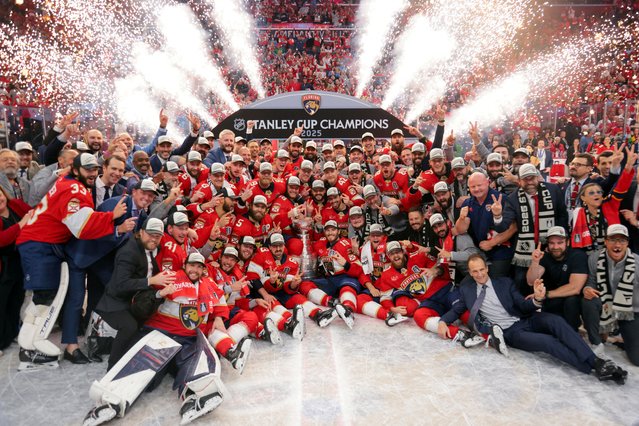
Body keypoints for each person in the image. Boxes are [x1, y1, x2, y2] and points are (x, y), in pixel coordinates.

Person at [439, 254, 627, 384]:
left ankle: (595, 361)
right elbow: (457, 310)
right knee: (548, 342)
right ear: (470, 273)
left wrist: (537, 298)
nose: (479, 274)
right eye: (474, 272)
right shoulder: (467, 290)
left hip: (525, 319)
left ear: (487, 268)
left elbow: (522, 305)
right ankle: (594, 367)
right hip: (510, 332)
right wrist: (441, 321)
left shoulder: (504, 282)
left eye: (481, 269)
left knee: (556, 322)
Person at [16, 153, 127, 369]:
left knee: (46, 296)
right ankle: (28, 346)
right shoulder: (75, 188)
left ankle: (30, 345)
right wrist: (111, 217)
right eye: (88, 169)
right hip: (46, 244)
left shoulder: (67, 181)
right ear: (76, 170)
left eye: (94, 169)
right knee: (44, 296)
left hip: (50, 244)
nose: (92, 173)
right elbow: (81, 226)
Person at [95, 218, 176, 371]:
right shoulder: (129, 252)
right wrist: (151, 280)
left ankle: (133, 360)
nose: (154, 239)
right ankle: (113, 368)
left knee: (148, 321)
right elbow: (121, 284)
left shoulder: (148, 249)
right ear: (141, 232)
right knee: (130, 326)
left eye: (157, 236)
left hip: (133, 300)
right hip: (114, 302)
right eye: (150, 234)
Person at [582, 225, 639, 365]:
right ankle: (597, 343)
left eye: (622, 240)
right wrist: (587, 289)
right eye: (613, 240)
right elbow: (591, 282)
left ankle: (624, 338)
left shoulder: (637, 262)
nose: (617, 244)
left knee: (637, 359)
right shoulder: (594, 258)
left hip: (630, 312)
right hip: (605, 308)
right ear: (605, 241)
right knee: (588, 301)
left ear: (627, 243)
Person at [526, 226, 588, 330]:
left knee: (571, 301)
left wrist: (545, 295)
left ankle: (573, 334)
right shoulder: (545, 256)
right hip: (554, 299)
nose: (555, 247)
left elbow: (575, 288)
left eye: (560, 243)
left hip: (574, 299)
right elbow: (531, 281)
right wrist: (535, 262)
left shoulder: (578, 256)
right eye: (552, 243)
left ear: (567, 242)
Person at [0, 186, 32, 353]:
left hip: (19, 262)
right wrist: (21, 224)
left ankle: (11, 334)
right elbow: (2, 240)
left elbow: (33, 212)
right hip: (3, 266)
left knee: (16, 300)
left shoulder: (16, 205)